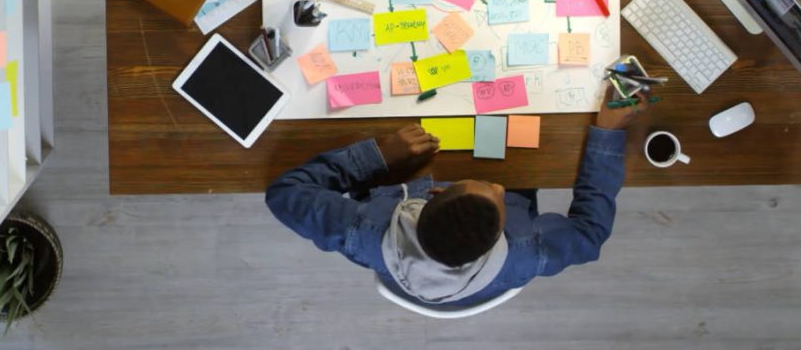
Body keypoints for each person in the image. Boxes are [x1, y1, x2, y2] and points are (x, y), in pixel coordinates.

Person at [265, 88, 649, 307]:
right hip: (511, 149)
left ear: (433, 193)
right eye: (497, 193)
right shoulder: (526, 251)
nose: (499, 186)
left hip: (400, 173)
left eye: (490, 189)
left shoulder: (363, 233)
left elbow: (286, 193)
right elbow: (590, 233)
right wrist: (608, 134)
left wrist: (379, 155)